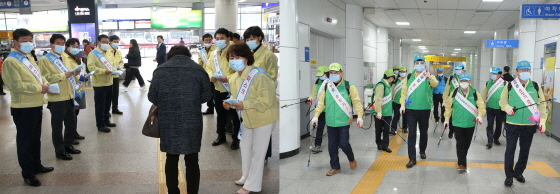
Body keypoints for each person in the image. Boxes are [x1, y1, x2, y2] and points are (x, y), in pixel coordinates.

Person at [148, 45, 212, 194]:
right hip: (192, 120)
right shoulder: (198, 70)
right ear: (188, 55)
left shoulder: (160, 71)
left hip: (168, 120)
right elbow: (207, 96)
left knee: (171, 158)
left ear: (170, 56)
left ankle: (173, 191)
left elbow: (152, 97)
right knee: (192, 159)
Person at [223, 43, 278, 194]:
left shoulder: (259, 75)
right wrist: (230, 103)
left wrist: (243, 104)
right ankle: (246, 176)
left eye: (238, 57)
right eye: (231, 58)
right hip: (248, 119)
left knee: (258, 152)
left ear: (246, 58)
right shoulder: (234, 78)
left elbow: (267, 100)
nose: (234, 60)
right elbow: (237, 97)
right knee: (245, 147)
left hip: (264, 118)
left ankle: (252, 185)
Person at [2, 28, 54, 186]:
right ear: (15, 42)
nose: (28, 43)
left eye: (30, 40)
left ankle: (36, 165)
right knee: (25, 141)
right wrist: (40, 88)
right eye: (24, 40)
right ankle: (28, 173)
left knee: (35, 139)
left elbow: (38, 75)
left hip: (36, 103)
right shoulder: (11, 61)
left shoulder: (28, 57)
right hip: (23, 107)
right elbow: (16, 86)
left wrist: (45, 83)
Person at [499, 61, 547, 187]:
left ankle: (518, 172)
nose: (525, 72)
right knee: (510, 150)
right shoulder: (509, 85)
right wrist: (507, 107)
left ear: (530, 71)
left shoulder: (536, 86)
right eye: (522, 70)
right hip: (512, 124)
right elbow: (502, 102)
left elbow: (542, 104)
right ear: (517, 72)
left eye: (527, 70)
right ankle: (509, 175)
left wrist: (542, 121)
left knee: (524, 151)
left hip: (529, 125)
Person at [312, 63, 364, 176]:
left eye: (336, 73)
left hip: (344, 121)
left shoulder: (349, 86)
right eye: (331, 73)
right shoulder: (326, 86)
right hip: (330, 121)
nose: (334, 75)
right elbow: (321, 103)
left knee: (344, 143)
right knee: (332, 146)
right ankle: (335, 167)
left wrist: (360, 116)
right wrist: (316, 115)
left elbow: (356, 102)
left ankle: (351, 159)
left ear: (341, 73)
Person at [38, 34, 82, 161]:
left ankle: (68, 145)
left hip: (69, 95)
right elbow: (45, 78)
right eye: (58, 43)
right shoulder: (45, 60)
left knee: (71, 123)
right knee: (57, 126)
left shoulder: (65, 58)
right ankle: (59, 150)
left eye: (63, 43)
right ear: (51, 45)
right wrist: (64, 75)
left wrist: (76, 73)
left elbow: (71, 73)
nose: (61, 45)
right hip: (57, 98)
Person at [399, 55, 438, 168]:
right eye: (417, 63)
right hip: (411, 109)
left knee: (423, 132)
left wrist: (429, 78)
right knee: (411, 133)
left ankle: (422, 150)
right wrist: (402, 104)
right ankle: (412, 158)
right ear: (414, 64)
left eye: (421, 62)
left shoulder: (428, 75)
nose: (419, 64)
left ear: (425, 64)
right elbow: (404, 92)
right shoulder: (409, 76)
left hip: (424, 109)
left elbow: (435, 84)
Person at [205, 28, 240, 150]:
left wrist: (228, 78)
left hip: (233, 89)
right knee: (220, 114)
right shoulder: (214, 52)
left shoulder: (235, 51)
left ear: (228, 38)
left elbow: (240, 70)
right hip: (218, 89)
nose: (219, 41)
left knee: (235, 115)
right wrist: (211, 76)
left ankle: (236, 139)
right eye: (217, 38)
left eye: (222, 38)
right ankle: (221, 136)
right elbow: (208, 66)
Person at [443, 72, 486, 172]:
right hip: (457, 123)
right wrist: (446, 119)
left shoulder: (475, 93)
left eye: (466, 80)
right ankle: (462, 163)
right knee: (460, 143)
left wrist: (480, 116)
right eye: (462, 80)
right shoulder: (454, 93)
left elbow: (481, 106)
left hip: (470, 123)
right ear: (459, 81)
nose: (464, 82)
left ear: (470, 81)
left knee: (466, 144)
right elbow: (448, 107)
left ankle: (462, 158)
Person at [86, 34, 117, 133]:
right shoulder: (93, 54)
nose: (105, 44)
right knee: (100, 105)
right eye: (103, 42)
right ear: (98, 42)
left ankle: (107, 120)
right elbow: (91, 67)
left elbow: (112, 64)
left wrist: (116, 69)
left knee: (108, 103)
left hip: (109, 81)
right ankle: (100, 124)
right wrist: (104, 71)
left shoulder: (109, 52)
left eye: (107, 42)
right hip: (99, 83)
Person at [62, 38, 86, 143]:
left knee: (76, 112)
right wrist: (76, 75)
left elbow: (81, 69)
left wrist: (84, 75)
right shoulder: (64, 57)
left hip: (78, 87)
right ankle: (69, 136)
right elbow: (68, 72)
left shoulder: (77, 57)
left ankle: (74, 132)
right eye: (73, 47)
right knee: (71, 114)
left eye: (77, 47)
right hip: (70, 88)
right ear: (67, 47)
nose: (75, 49)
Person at [481, 67, 506, 149]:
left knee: (499, 125)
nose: (493, 75)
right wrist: (481, 104)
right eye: (492, 73)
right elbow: (484, 94)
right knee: (490, 124)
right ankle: (490, 141)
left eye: (495, 73)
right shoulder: (488, 83)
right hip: (490, 107)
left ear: (499, 74)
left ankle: (496, 138)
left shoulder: (505, 84)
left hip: (500, 108)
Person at [307, 66, 329, 153]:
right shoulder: (317, 82)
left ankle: (337, 143)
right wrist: (310, 98)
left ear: (327, 73)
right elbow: (314, 93)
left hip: (331, 109)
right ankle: (317, 145)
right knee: (320, 128)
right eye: (319, 75)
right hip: (321, 110)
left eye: (322, 75)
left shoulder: (331, 83)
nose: (320, 77)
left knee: (333, 128)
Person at [373, 69, 395, 153]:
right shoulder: (381, 85)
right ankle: (379, 143)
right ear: (390, 77)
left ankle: (385, 145)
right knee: (378, 129)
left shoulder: (388, 85)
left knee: (386, 129)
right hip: (380, 112)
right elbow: (378, 99)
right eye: (393, 77)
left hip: (388, 112)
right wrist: (379, 112)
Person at [442, 62, 465, 138]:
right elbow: (446, 90)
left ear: (463, 69)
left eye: (459, 69)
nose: (457, 70)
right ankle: (451, 130)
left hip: (461, 101)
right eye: (456, 69)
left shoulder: (466, 78)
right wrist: (444, 100)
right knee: (451, 117)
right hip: (452, 100)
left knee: (459, 116)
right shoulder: (451, 78)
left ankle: (457, 131)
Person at [199, 33, 217, 115]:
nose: (208, 41)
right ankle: (210, 108)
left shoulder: (216, 49)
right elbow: (200, 64)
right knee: (208, 92)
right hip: (206, 76)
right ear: (203, 41)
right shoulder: (201, 52)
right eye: (206, 40)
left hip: (215, 75)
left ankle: (218, 108)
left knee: (216, 92)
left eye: (209, 40)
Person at [109, 35, 124, 115]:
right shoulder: (106, 51)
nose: (116, 43)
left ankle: (115, 108)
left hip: (116, 75)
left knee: (115, 93)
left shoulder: (119, 52)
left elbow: (121, 62)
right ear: (110, 42)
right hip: (108, 75)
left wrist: (120, 66)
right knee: (108, 94)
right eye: (114, 42)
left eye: (117, 42)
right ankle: (107, 111)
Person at [391, 66, 408, 133]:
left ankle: (405, 128)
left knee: (405, 116)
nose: (402, 73)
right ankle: (393, 128)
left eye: (403, 72)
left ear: (406, 72)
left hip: (405, 101)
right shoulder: (396, 80)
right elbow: (393, 88)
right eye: (401, 72)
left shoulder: (408, 80)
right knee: (396, 115)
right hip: (396, 100)